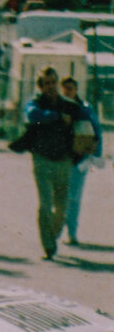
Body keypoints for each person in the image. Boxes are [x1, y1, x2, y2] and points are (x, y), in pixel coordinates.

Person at [23, 67, 88, 260]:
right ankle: (48, 245)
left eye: (53, 82)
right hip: (42, 159)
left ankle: (53, 234)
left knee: (62, 206)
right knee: (45, 204)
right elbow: (33, 115)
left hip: (64, 161)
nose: (51, 86)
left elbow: (85, 124)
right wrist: (57, 116)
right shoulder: (35, 104)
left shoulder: (70, 105)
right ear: (41, 86)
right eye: (46, 83)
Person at [59, 76, 103, 246]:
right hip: (61, 158)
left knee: (74, 198)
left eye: (71, 88)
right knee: (61, 196)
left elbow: (96, 131)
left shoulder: (84, 108)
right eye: (66, 88)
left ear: (76, 89)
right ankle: (58, 231)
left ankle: (72, 233)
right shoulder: (58, 108)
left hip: (79, 159)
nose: (68, 91)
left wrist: (95, 155)